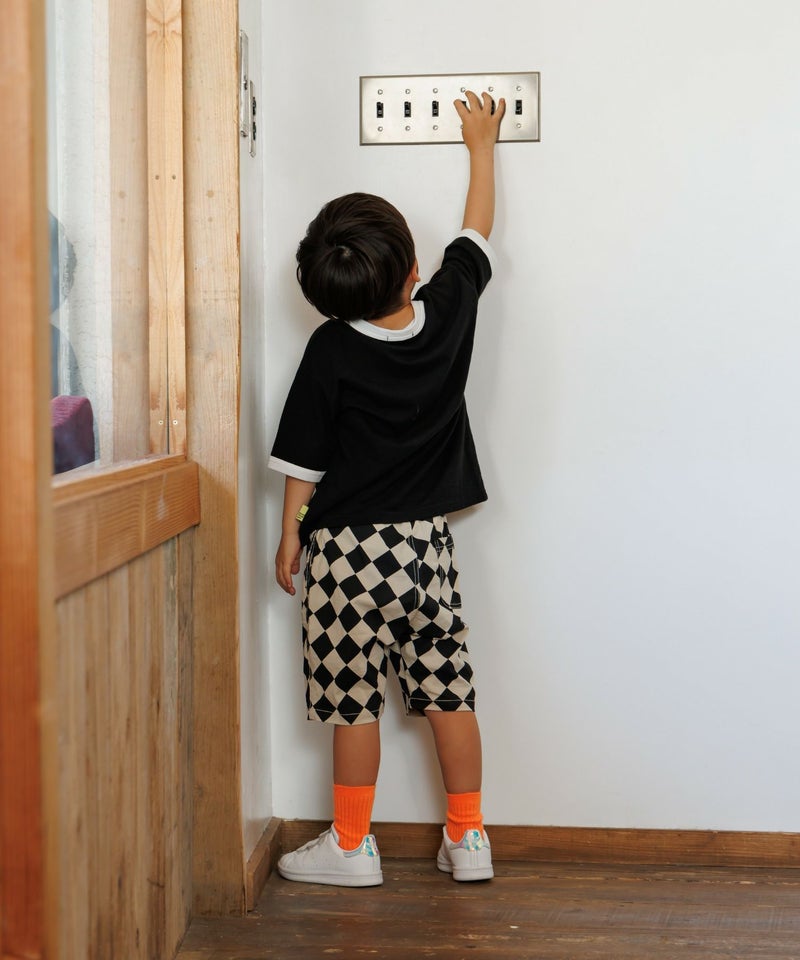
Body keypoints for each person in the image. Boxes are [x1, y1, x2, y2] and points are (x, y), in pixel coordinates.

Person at [269, 90, 506, 887]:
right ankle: (468, 839)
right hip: (423, 550)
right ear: (413, 270)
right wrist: (482, 147)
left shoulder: (331, 350)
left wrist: (289, 530)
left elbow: (305, 457)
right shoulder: (449, 311)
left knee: (351, 702)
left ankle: (350, 845)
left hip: (344, 556)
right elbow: (476, 234)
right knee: (449, 695)